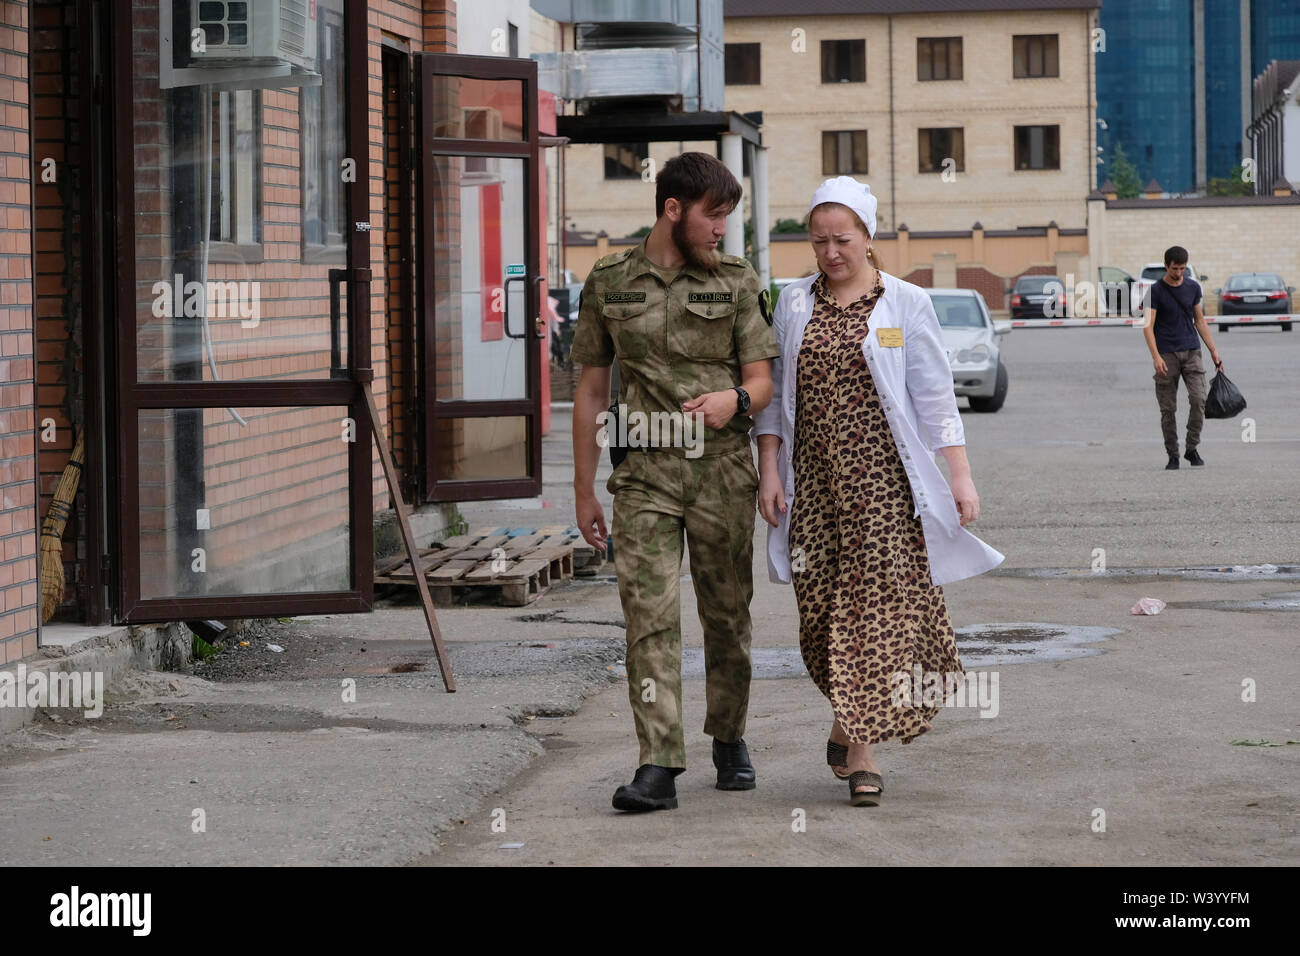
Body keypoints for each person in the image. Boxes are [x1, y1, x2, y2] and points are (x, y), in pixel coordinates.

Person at [753, 176, 1003, 806]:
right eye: (818, 242)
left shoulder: (905, 304)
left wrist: (961, 476)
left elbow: (935, 395)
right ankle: (848, 715)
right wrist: (770, 470)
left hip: (886, 489)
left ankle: (860, 749)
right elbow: (777, 400)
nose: (830, 252)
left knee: (876, 615)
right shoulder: (792, 303)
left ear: (868, 236)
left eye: (842, 239)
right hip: (814, 490)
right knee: (819, 620)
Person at [569, 152, 779, 813]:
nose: (722, 229)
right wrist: (582, 489)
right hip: (643, 476)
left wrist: (734, 403)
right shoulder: (608, 280)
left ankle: (729, 737)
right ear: (672, 210)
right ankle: (657, 762)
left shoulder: (740, 282)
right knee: (649, 620)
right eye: (713, 216)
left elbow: (764, 381)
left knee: (726, 615)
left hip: (720, 470)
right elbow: (591, 388)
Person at [1142, 245, 1223, 469]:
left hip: (1192, 351)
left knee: (1199, 400)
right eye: (1175, 268)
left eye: (1183, 269)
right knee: (1168, 408)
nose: (1179, 273)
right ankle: (1172, 454)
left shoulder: (1193, 287)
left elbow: (1200, 320)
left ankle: (1191, 448)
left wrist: (1213, 350)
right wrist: (1155, 357)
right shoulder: (1155, 291)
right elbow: (1148, 326)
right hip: (1166, 355)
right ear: (1166, 265)